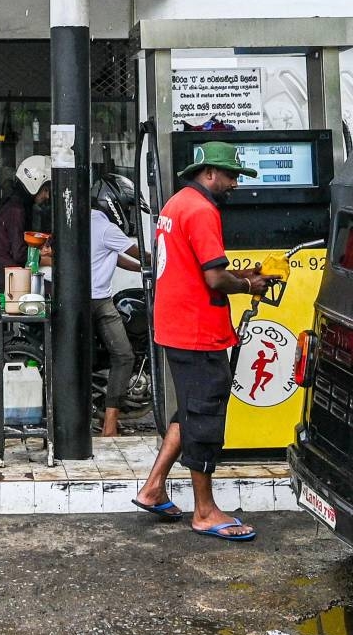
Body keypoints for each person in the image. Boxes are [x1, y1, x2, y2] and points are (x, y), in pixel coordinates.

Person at [133, 141, 279, 541]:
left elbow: (197, 267)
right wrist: (248, 283)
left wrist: (242, 273)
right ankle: (205, 511)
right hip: (198, 331)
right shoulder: (202, 210)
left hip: (175, 325)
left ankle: (153, 488)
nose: (235, 184)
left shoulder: (176, 203)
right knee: (206, 419)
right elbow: (214, 279)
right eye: (231, 176)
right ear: (210, 173)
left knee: (190, 411)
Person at [89, 174, 150, 437]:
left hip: (80, 300)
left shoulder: (88, 221)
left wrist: (142, 270)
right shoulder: (106, 228)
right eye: (125, 207)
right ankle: (110, 425)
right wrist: (162, 259)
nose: (126, 213)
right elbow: (137, 251)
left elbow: (113, 257)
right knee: (124, 356)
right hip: (98, 301)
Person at [0, 154, 52, 292]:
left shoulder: (16, 206)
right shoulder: (16, 211)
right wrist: (47, 259)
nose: (47, 196)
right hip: (16, 285)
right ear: (34, 184)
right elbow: (20, 254)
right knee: (60, 291)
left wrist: (41, 250)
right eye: (45, 190)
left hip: (16, 279)